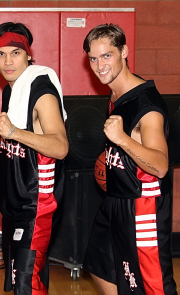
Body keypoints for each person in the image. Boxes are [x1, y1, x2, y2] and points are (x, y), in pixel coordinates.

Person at [82, 23, 177, 295]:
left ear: (123, 51)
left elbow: (160, 165)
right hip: (117, 200)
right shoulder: (116, 93)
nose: (99, 65)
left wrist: (122, 139)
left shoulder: (146, 105)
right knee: (98, 263)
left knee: (154, 284)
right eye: (93, 58)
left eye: (107, 55)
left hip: (143, 203)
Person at [0, 22, 68, 294]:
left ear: (28, 54)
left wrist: (13, 131)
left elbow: (59, 146)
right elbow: (20, 140)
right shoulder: (13, 89)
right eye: (0, 54)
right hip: (14, 205)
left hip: (37, 206)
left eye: (15, 53)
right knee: (23, 283)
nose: (8, 62)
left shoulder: (41, 90)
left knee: (27, 285)